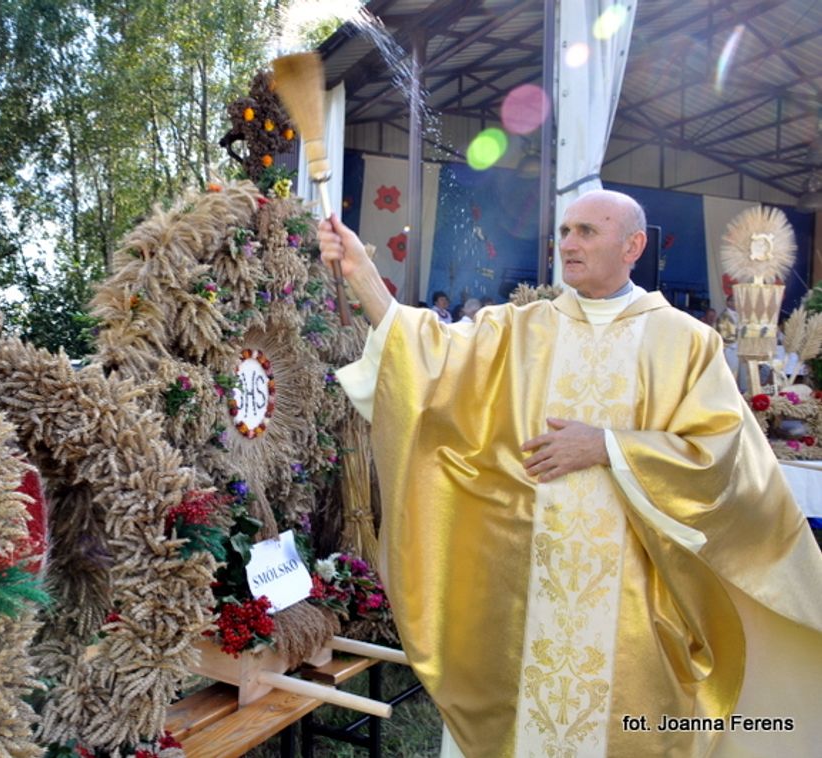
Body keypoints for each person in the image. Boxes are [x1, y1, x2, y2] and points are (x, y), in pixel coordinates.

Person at [318, 189, 822, 757]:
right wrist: (362, 273)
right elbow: (427, 355)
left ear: (633, 246)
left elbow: (719, 456)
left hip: (633, 599)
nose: (568, 244)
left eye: (586, 232)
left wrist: (608, 446)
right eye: (564, 232)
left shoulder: (685, 341)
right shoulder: (519, 329)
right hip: (525, 587)